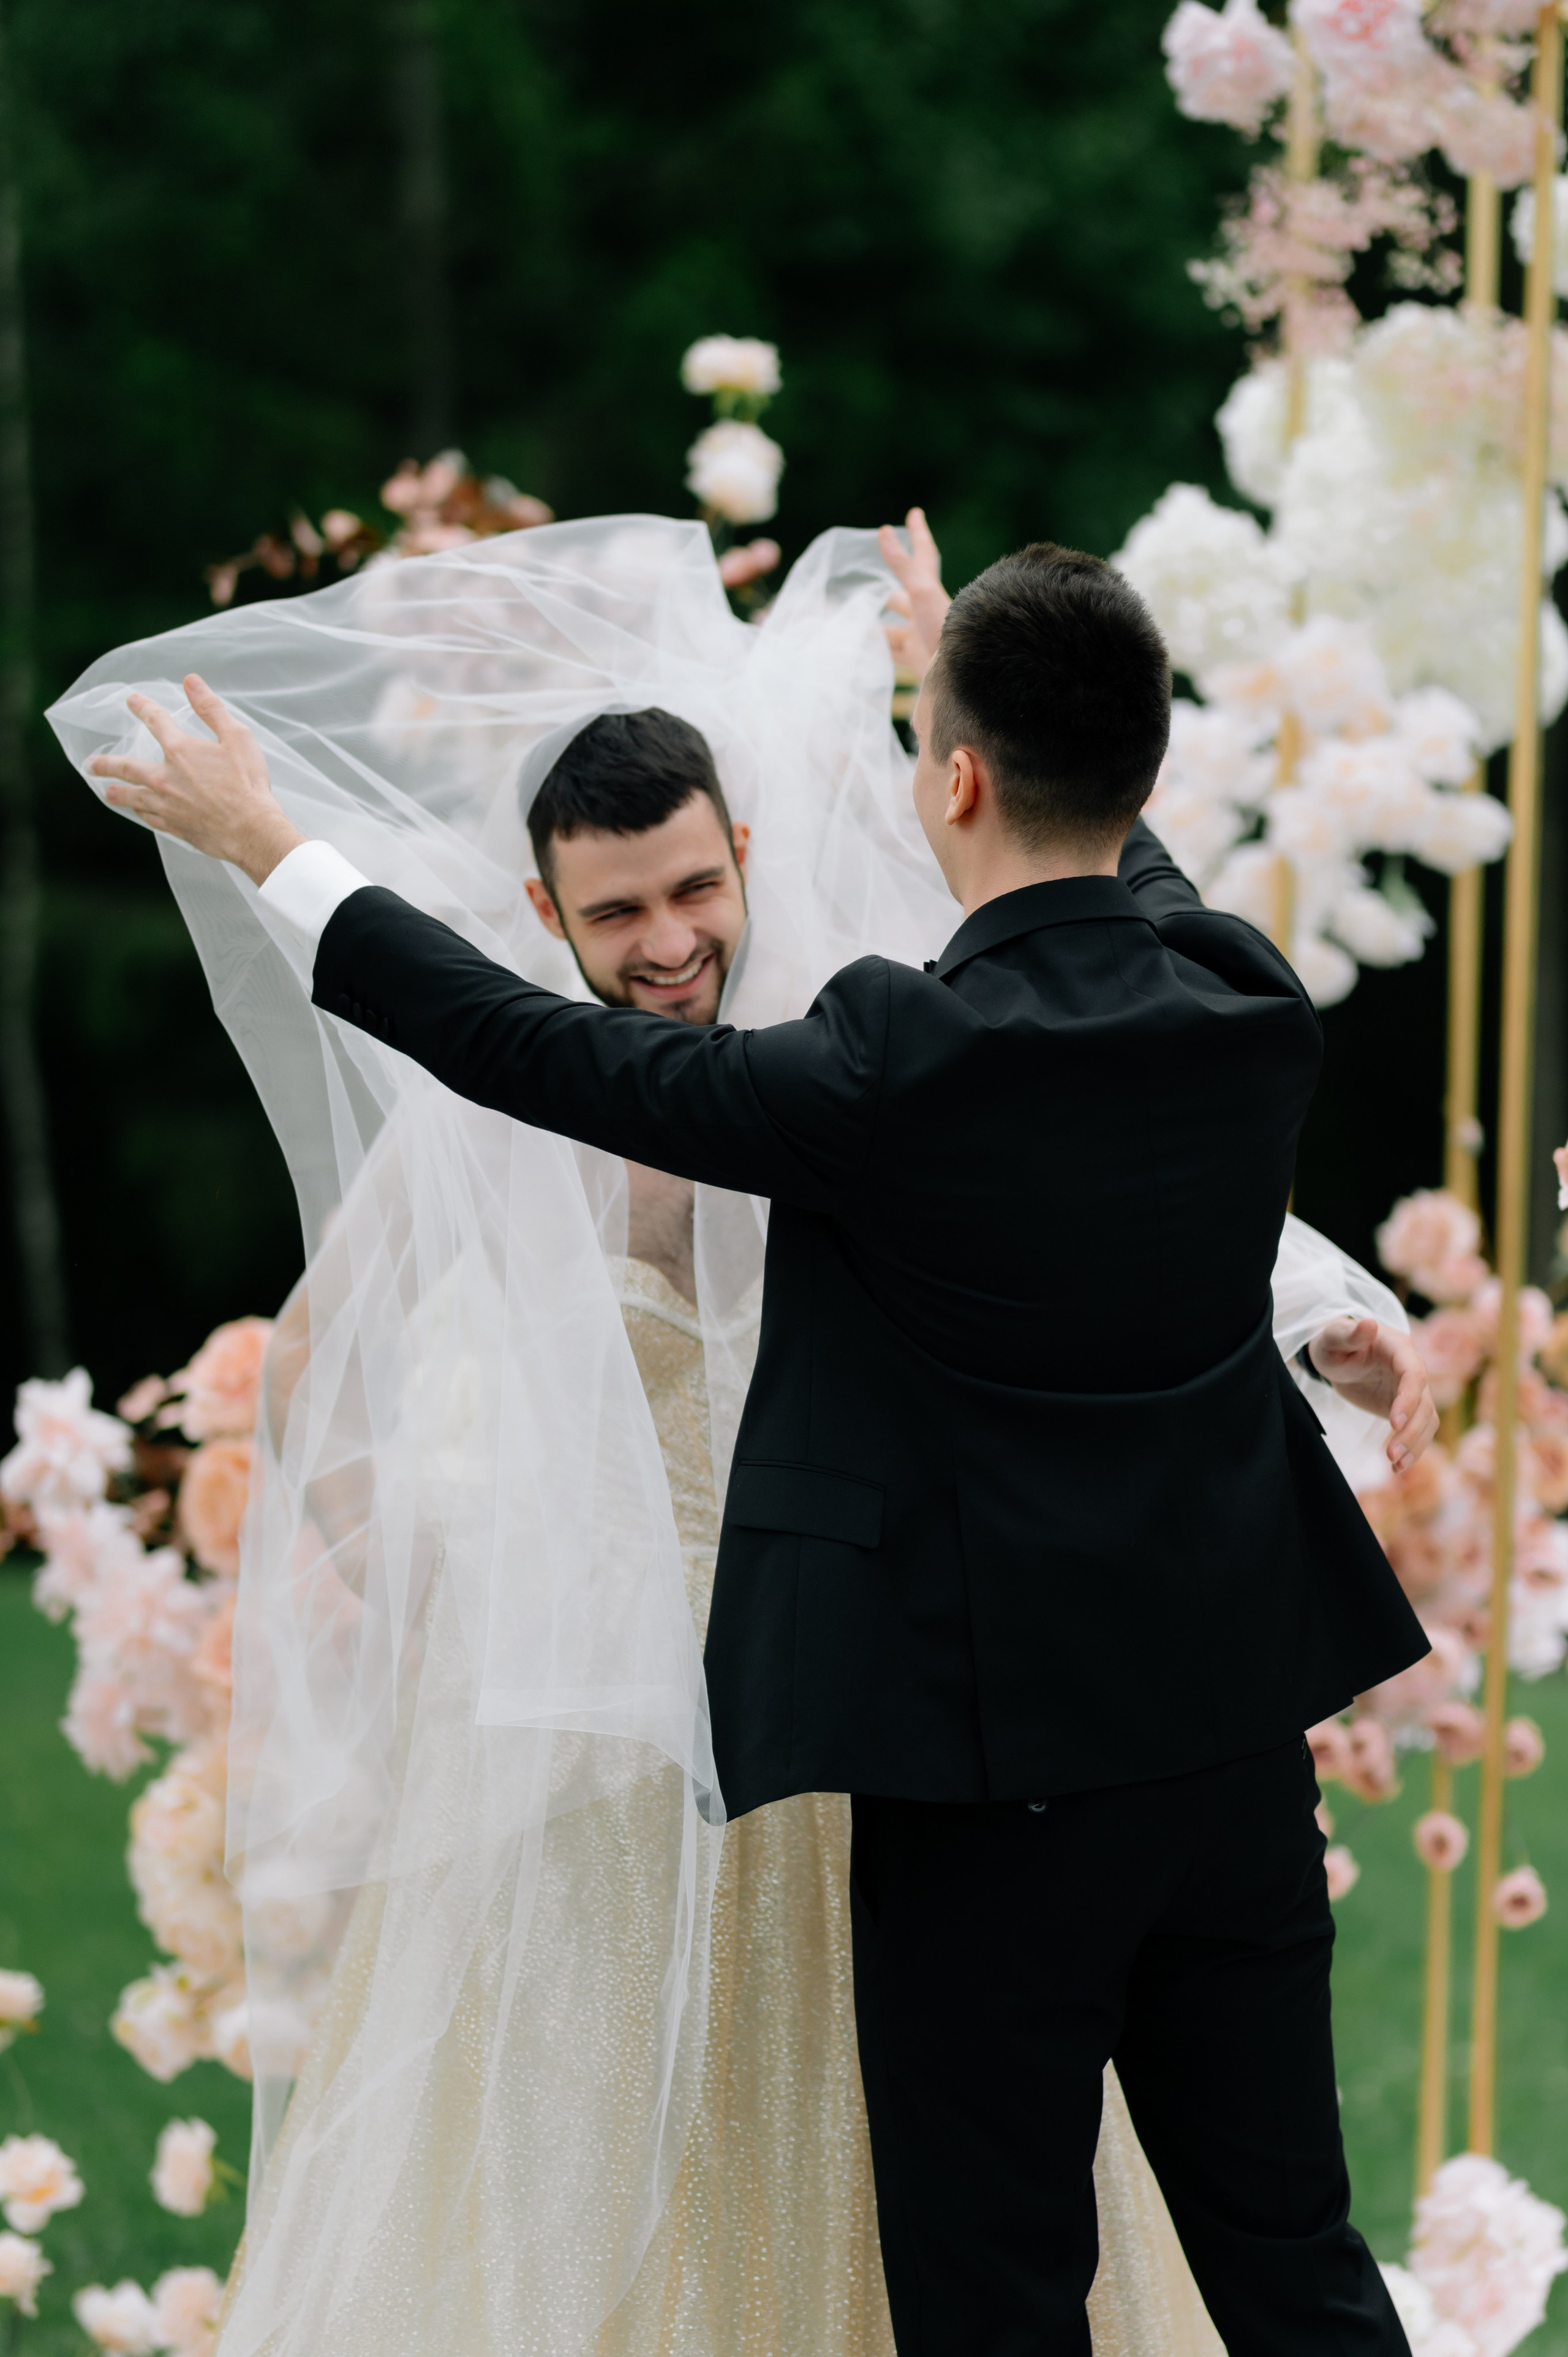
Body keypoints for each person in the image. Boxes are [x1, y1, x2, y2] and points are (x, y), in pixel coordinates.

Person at [66, 518, 1433, 2356]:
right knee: (1299, 2269)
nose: (667, 940)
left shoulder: (890, 1057)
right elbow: (1129, 943)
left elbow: (522, 1051)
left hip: (976, 1763)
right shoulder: (1243, 992)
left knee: (993, 2291)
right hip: (1220, 1756)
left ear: (947, 775)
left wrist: (272, 854)